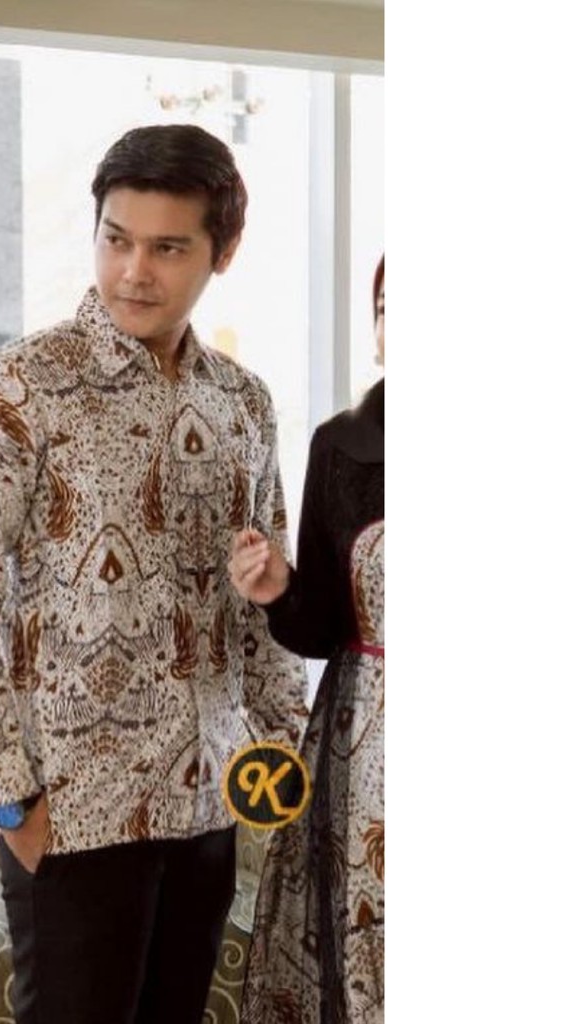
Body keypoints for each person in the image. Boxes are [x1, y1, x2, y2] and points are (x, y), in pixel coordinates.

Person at [0, 123, 308, 1024]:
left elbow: (262, 606)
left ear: (223, 252)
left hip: (207, 806)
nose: (134, 271)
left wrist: (279, 758)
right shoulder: (11, 394)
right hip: (71, 814)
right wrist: (12, 802)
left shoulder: (243, 403)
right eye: (116, 239)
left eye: (168, 248)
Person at [229, 255, 385, 1023]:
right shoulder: (342, 446)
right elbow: (323, 626)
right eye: (390, 308)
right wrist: (278, 590)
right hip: (370, 753)